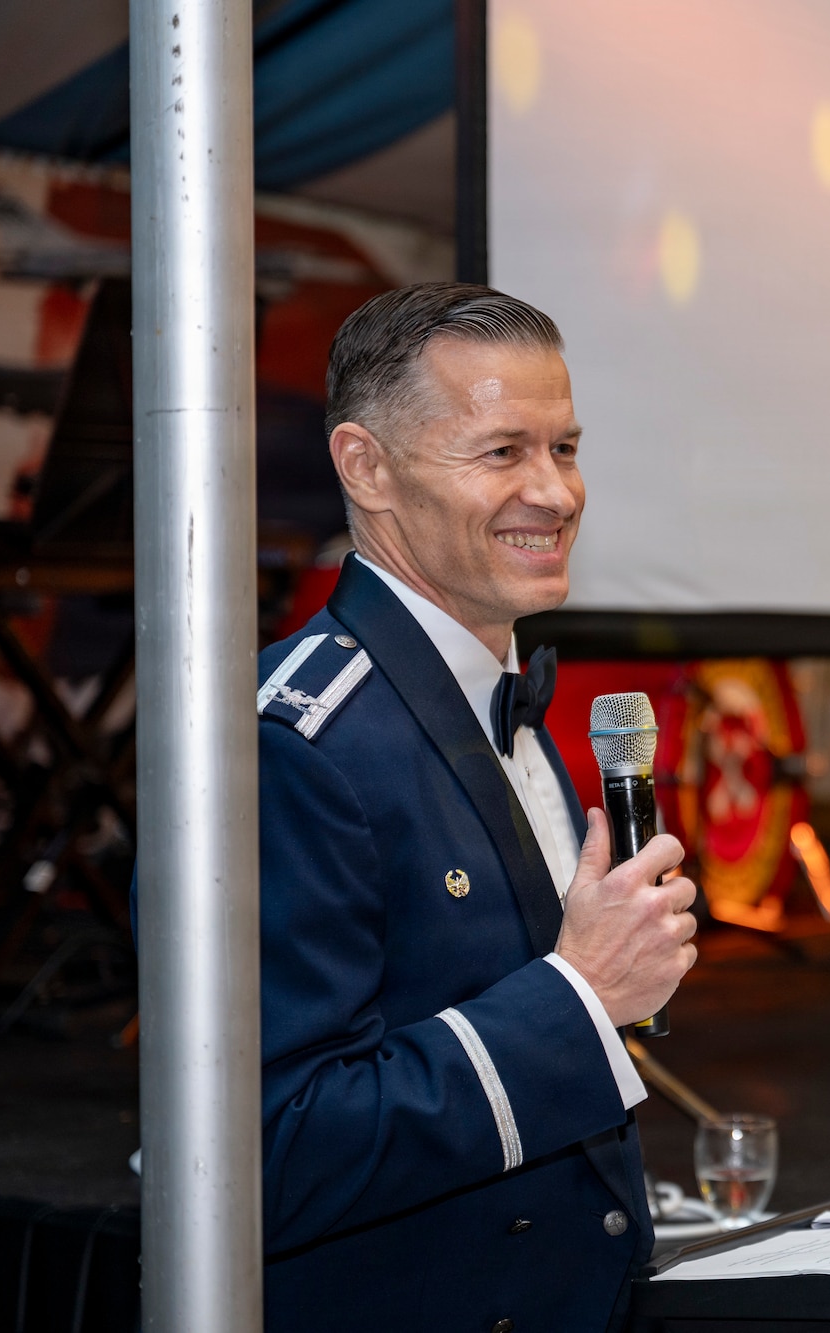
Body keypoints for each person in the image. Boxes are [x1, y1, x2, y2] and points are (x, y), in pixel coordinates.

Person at [256, 283, 697, 1331]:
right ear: (366, 467)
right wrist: (581, 994)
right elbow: (273, 1151)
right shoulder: (290, 746)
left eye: (565, 448)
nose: (553, 492)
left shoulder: (504, 700)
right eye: (501, 453)